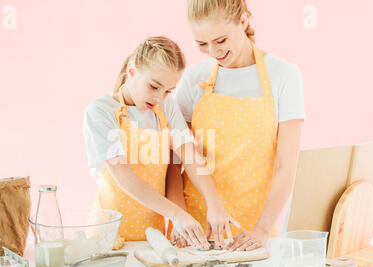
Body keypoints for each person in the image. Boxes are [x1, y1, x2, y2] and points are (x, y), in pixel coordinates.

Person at [167, 0, 305, 251]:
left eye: (220, 41)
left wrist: (262, 229)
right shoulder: (194, 78)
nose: (213, 52)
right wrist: (179, 218)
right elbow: (174, 158)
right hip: (195, 227)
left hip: (254, 229)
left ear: (243, 21)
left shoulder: (284, 76)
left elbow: (286, 166)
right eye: (202, 44)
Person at [83, 36, 239, 249]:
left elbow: (190, 158)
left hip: (152, 236)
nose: (159, 97)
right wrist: (176, 214)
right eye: (154, 86)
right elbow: (125, 178)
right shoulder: (101, 112)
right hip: (107, 236)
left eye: (167, 91)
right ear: (132, 70)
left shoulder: (166, 108)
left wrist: (214, 203)